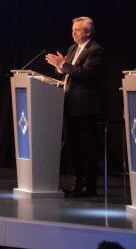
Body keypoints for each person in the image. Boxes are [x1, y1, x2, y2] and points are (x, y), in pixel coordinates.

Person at [45, 16, 105, 197]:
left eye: (77, 30)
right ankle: (78, 182)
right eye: (73, 29)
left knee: (86, 147)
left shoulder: (96, 50)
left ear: (88, 31)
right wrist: (59, 66)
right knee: (72, 147)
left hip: (85, 107)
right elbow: (68, 71)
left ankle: (90, 185)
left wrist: (63, 64)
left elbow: (84, 74)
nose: (73, 32)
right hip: (68, 103)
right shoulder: (73, 48)